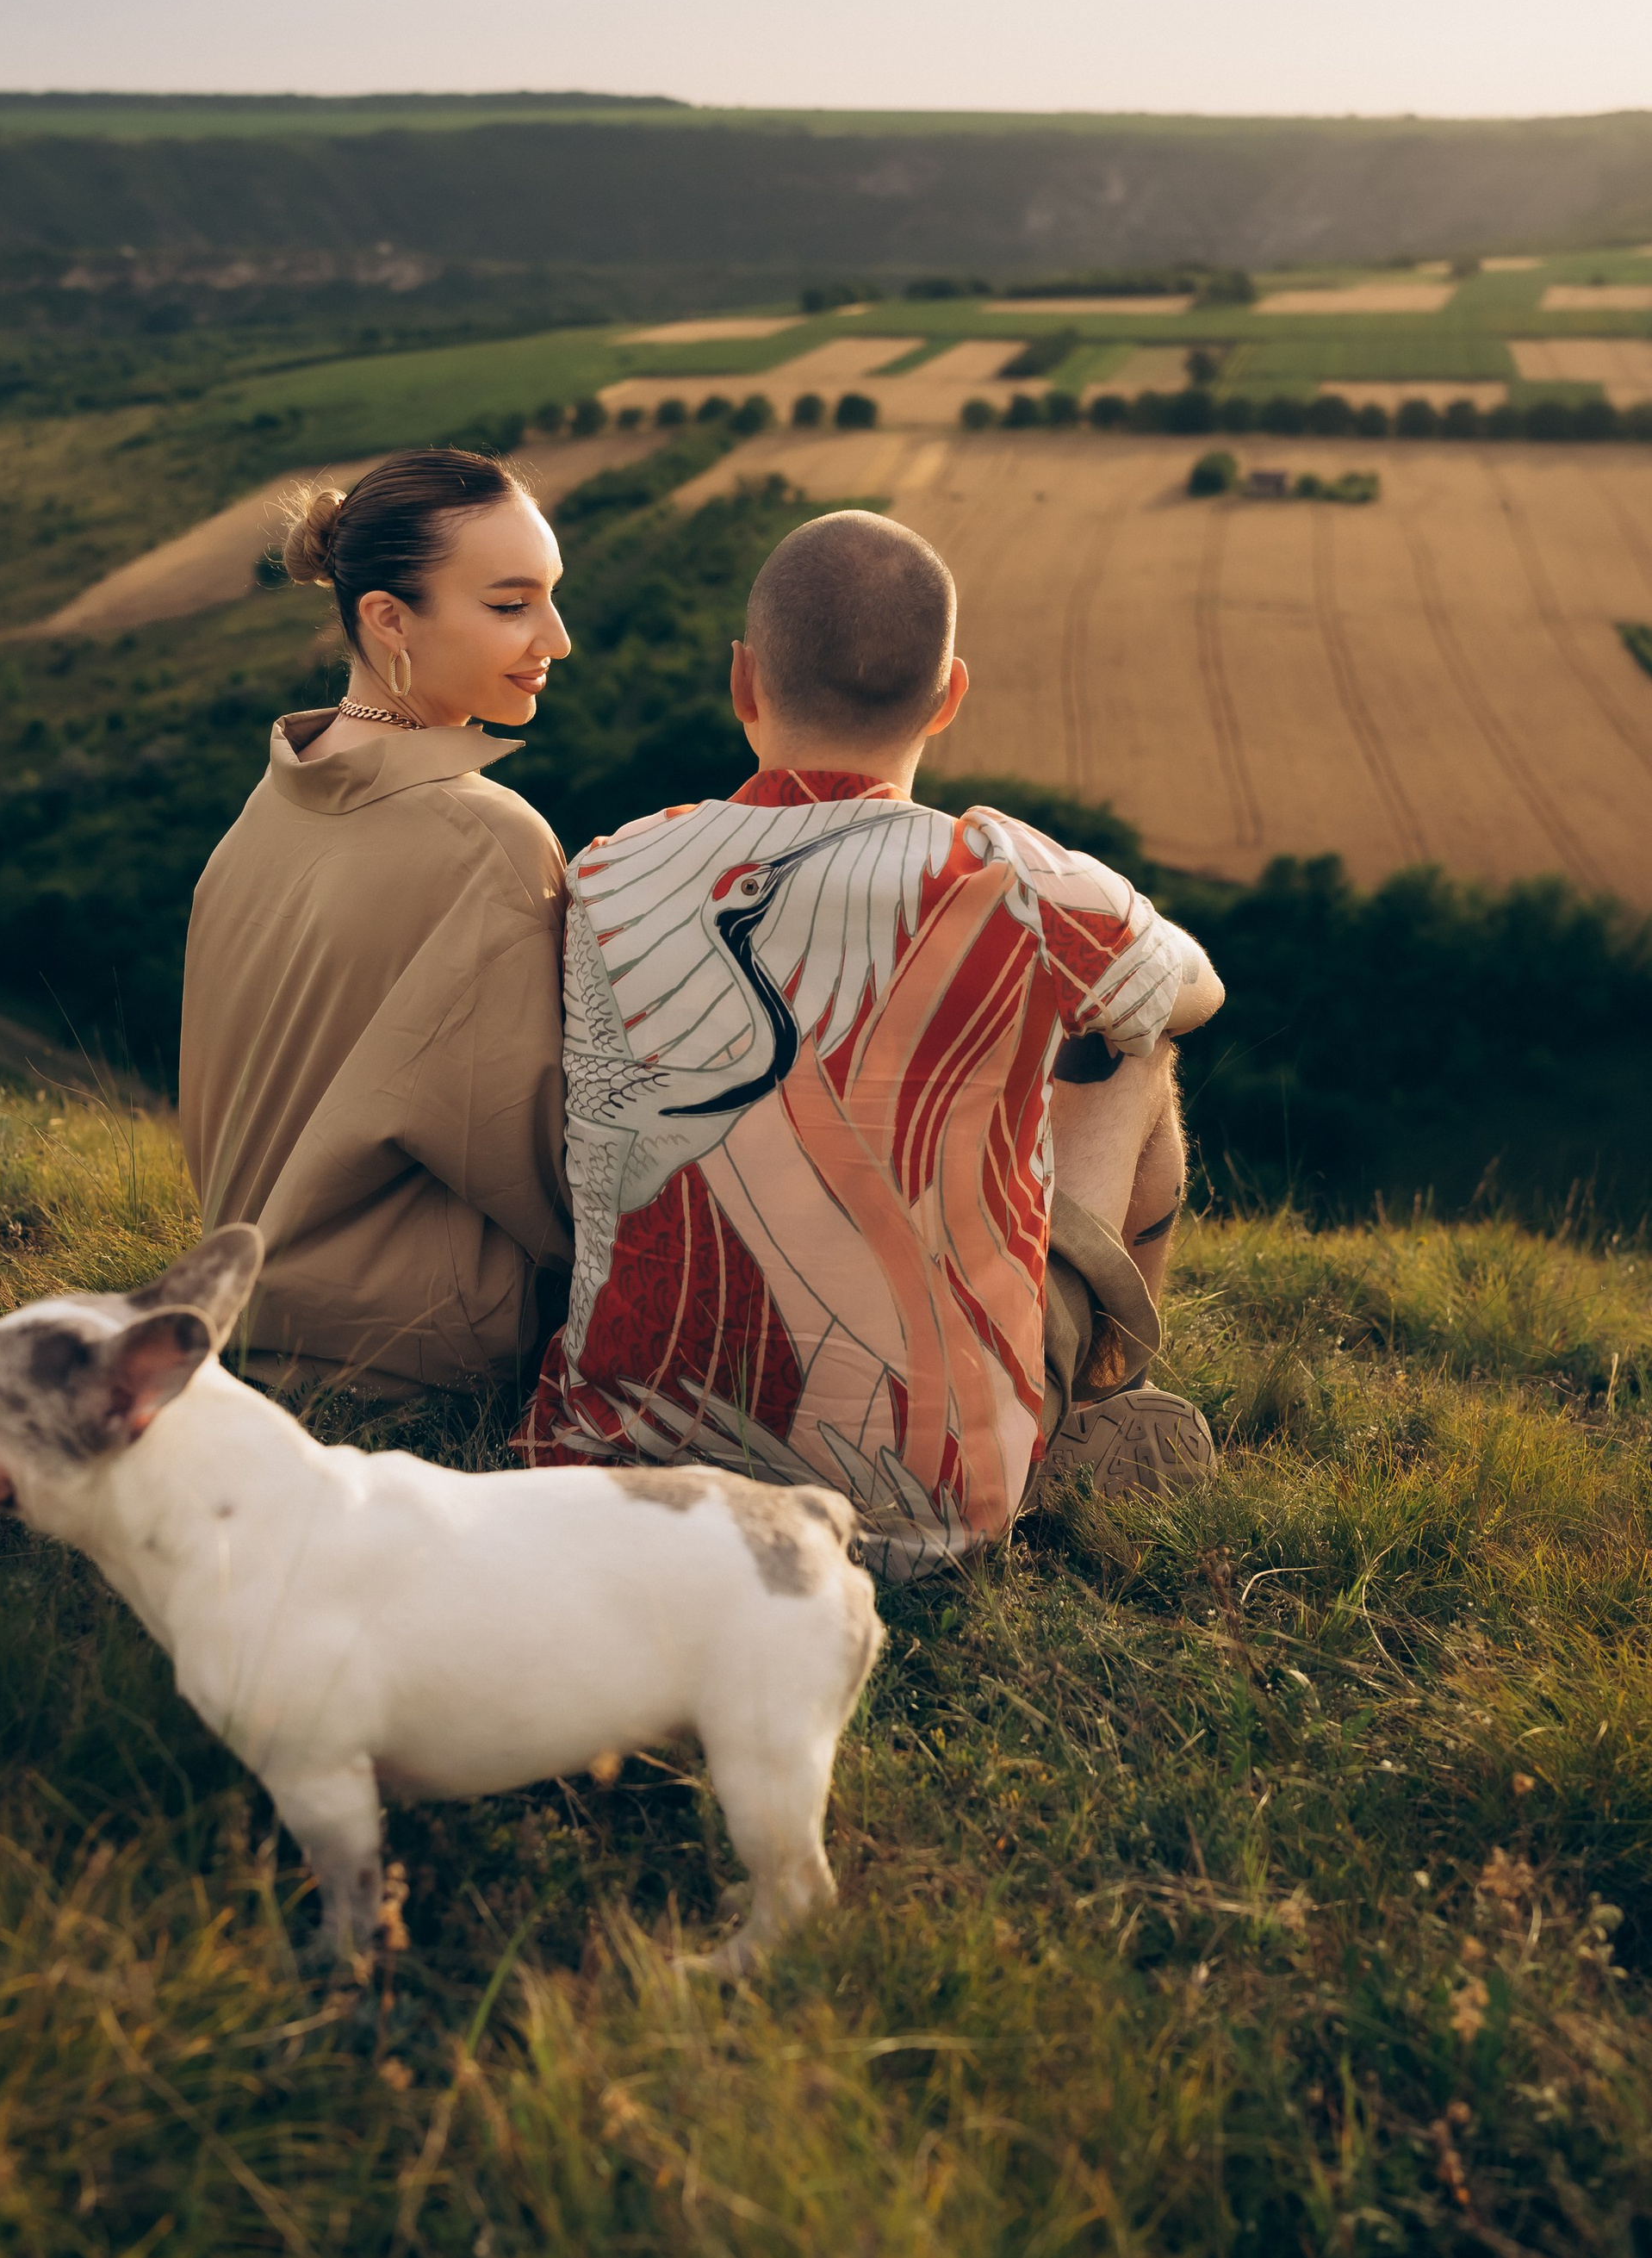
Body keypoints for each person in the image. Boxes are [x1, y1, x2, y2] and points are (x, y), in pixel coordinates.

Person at [516, 508, 1225, 1574]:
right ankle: (1096, 1399)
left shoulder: (614, 872)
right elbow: (1197, 993)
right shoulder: (1018, 882)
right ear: (949, 697)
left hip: (602, 1486)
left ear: (743, 685)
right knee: (1132, 1040)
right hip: (925, 1519)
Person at [178, 447, 575, 1402]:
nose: (555, 639)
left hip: (242, 1319)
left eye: (551, 597)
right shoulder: (489, 837)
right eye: (510, 605)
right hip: (408, 1357)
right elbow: (547, 1176)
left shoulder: (266, 808)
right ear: (387, 619)